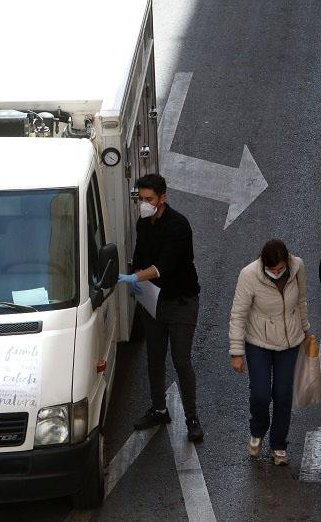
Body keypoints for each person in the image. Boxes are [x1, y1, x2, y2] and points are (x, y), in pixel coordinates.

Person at [117, 173, 202, 442]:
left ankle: (192, 418)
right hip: (154, 301)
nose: (144, 204)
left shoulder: (179, 226)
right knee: (154, 357)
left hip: (180, 302)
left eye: (149, 199)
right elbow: (141, 257)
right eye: (141, 199)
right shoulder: (144, 223)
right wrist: (136, 272)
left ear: (162, 197)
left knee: (181, 359)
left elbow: (162, 266)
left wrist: (133, 278)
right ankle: (159, 408)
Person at [229, 239, 313, 466]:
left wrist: (305, 330)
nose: (277, 273)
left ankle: (278, 445)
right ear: (263, 264)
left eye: (280, 269)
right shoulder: (248, 275)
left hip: (290, 342)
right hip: (258, 342)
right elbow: (238, 314)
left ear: (287, 260)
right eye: (272, 270)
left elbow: (301, 301)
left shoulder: (298, 268)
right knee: (260, 394)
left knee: (283, 395)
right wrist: (236, 352)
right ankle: (257, 431)